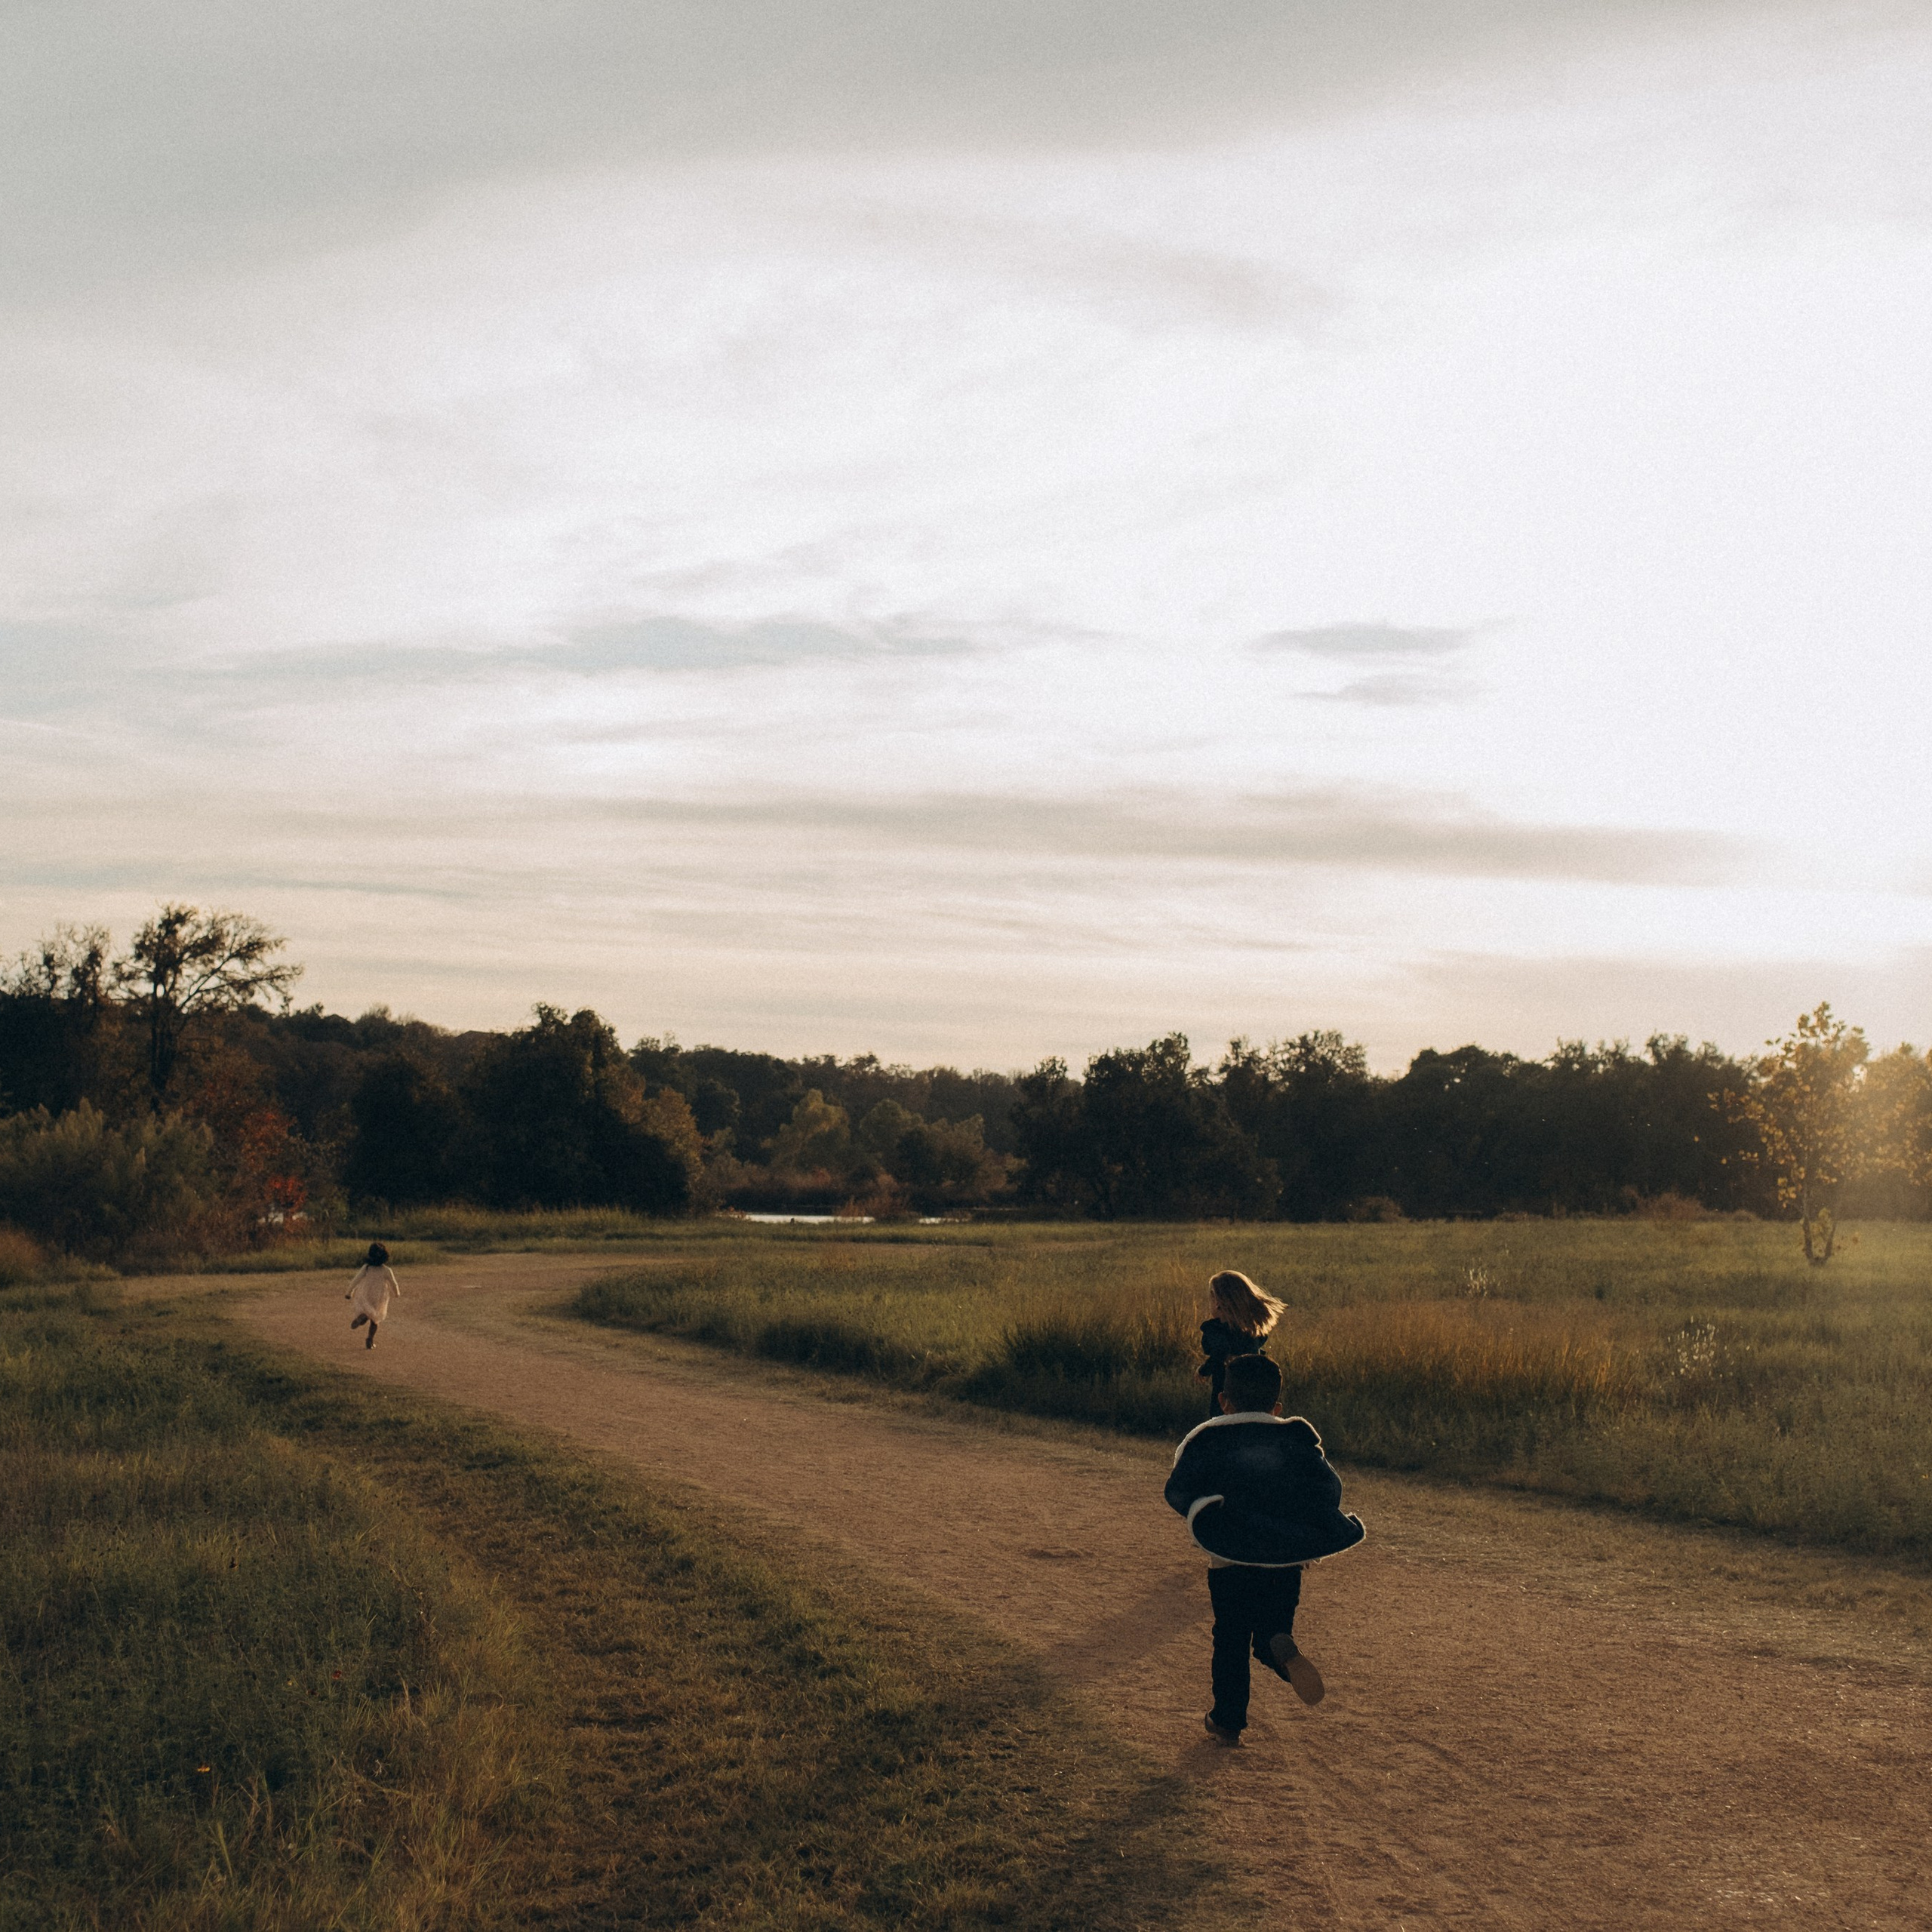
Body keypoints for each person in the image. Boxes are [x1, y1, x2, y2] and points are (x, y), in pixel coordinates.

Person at [1164, 1352, 1365, 1745]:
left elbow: (1179, 1490)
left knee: (1231, 1638)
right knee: (1273, 1629)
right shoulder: (1296, 1439)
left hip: (1229, 1559)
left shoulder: (1208, 1439)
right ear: (1277, 1406)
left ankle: (1228, 1720)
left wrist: (1206, 1515)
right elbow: (1327, 1490)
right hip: (1285, 1559)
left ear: (1223, 1401)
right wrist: (1307, 1533)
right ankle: (1280, 1652)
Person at [1195, 1268, 1284, 1419]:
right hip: (1254, 1390)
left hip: (1226, 1390)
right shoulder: (1252, 1331)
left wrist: (1203, 1371)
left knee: (1222, 1421)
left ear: (1217, 1303)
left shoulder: (1217, 1330)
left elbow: (1219, 1353)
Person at [345, 1241, 400, 1350]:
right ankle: (370, 1340)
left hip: (366, 1294)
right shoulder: (386, 1270)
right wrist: (397, 1293)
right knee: (375, 1320)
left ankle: (362, 1318)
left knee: (366, 1312)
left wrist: (349, 1292)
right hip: (379, 1297)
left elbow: (356, 1280)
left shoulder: (366, 1268)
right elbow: (394, 1283)